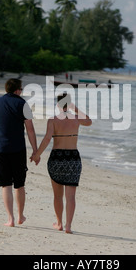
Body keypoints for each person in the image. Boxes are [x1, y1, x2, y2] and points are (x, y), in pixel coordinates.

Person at [31, 94, 92, 234]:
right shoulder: (76, 119)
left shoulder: (53, 120)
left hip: (57, 158)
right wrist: (75, 109)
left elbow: (47, 139)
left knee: (57, 195)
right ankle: (68, 226)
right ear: (69, 105)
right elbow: (89, 121)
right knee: (71, 196)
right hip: (73, 158)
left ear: (57, 105)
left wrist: (36, 155)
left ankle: (59, 223)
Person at [0, 78, 38, 227]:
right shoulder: (23, 104)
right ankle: (21, 216)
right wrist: (35, 151)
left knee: (5, 185)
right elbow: (30, 129)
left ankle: (10, 219)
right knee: (19, 184)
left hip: (0, 149)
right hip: (18, 150)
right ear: (17, 90)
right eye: (21, 89)